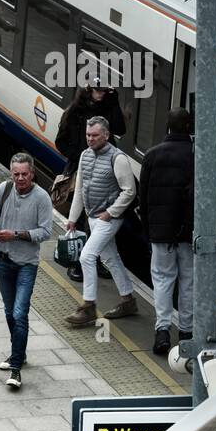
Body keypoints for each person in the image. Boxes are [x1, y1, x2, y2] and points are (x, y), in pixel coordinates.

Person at [0, 153, 53, 390]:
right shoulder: (4, 189)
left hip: (26, 265)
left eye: (24, 174)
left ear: (32, 173)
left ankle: (16, 368)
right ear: (11, 173)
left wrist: (18, 234)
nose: (20, 178)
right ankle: (17, 352)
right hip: (2, 259)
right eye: (16, 174)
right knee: (10, 312)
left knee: (20, 313)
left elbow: (46, 232)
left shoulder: (42, 198)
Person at [64, 116, 139, 327]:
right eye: (88, 135)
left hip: (108, 219)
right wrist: (72, 219)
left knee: (87, 256)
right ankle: (128, 300)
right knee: (110, 258)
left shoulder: (118, 158)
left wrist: (111, 212)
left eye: (94, 135)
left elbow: (129, 191)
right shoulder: (84, 156)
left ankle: (88, 307)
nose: (90, 139)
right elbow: (79, 188)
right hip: (92, 217)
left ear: (106, 135)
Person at [55, 78, 126, 280]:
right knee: (79, 218)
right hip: (80, 168)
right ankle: (78, 262)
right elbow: (60, 141)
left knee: (97, 217)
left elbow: (120, 129)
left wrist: (115, 102)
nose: (101, 94)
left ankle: (95, 260)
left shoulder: (107, 109)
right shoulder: (74, 112)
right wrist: (79, 157)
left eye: (104, 90)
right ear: (88, 90)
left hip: (104, 171)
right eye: (98, 90)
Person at [139, 107, 194, 355]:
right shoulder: (196, 156)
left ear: (168, 127)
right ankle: (186, 332)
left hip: (161, 233)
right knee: (188, 281)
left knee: (162, 279)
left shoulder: (152, 155)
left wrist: (149, 230)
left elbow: (144, 198)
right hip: (188, 234)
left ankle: (162, 332)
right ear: (189, 128)